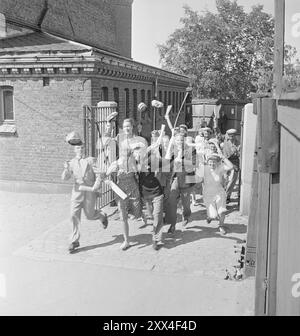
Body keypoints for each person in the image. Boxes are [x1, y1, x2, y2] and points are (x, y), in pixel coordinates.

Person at [104, 119, 147, 250]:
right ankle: (126, 240)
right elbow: (106, 140)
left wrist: (139, 158)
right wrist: (108, 126)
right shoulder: (119, 139)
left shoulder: (138, 141)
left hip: (132, 181)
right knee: (123, 215)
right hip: (120, 183)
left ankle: (141, 214)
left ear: (133, 127)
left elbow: (141, 157)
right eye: (124, 126)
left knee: (136, 212)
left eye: (129, 126)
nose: (126, 128)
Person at [62, 134, 108, 253]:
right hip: (76, 192)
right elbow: (65, 178)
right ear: (74, 149)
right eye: (77, 148)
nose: (80, 150)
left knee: (90, 215)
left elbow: (99, 174)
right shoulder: (71, 162)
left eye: (82, 148)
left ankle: (102, 216)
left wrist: (96, 187)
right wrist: (66, 169)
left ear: (84, 149)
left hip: (89, 192)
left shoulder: (90, 160)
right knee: (73, 215)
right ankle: (74, 241)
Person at [132, 142, 166, 250]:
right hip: (145, 194)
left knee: (157, 215)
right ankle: (156, 230)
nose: (138, 152)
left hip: (156, 192)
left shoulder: (151, 160)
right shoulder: (131, 163)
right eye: (135, 150)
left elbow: (166, 162)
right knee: (151, 215)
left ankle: (156, 239)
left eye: (140, 150)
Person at [165, 132, 196, 233]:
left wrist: (181, 160)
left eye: (181, 140)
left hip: (187, 180)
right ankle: (172, 225)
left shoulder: (190, 151)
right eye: (177, 140)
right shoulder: (173, 151)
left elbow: (193, 165)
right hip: (175, 179)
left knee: (185, 203)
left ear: (184, 140)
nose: (179, 142)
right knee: (172, 201)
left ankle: (186, 216)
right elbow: (167, 159)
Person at [202, 150, 234, 235]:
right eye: (210, 162)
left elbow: (231, 167)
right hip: (208, 194)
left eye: (214, 162)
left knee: (221, 211)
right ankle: (210, 216)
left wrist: (223, 157)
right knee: (213, 215)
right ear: (207, 163)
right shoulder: (204, 169)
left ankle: (221, 226)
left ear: (217, 163)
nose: (212, 164)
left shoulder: (220, 168)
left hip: (219, 193)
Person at [222, 129, 240, 203]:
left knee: (232, 180)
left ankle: (227, 196)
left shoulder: (239, 143)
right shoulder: (225, 143)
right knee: (225, 180)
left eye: (233, 136)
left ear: (235, 136)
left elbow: (240, 154)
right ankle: (224, 195)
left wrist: (237, 151)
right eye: (229, 136)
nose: (231, 137)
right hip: (226, 162)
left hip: (235, 163)